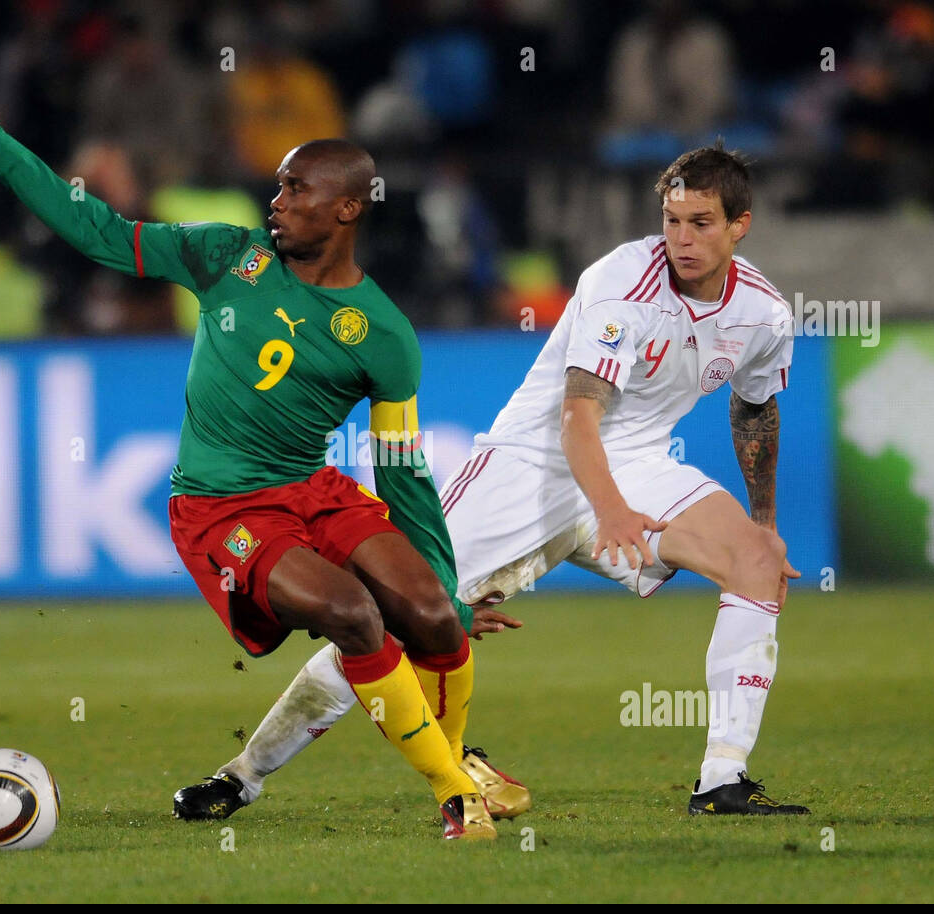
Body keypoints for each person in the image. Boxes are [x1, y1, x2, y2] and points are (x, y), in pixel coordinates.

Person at [0, 66, 520, 841]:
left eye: (294, 190)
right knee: (352, 613)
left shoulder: (384, 334)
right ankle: (453, 794)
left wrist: (448, 583)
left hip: (312, 488)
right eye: (276, 186)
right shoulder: (226, 256)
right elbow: (99, 232)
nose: (276, 203)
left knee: (436, 616)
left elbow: (402, 470)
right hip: (220, 507)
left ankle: (457, 759)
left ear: (345, 209)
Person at [175, 144, 810, 820]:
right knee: (398, 622)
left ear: (740, 225)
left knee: (757, 561)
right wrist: (612, 511)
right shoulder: (623, 283)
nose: (681, 238)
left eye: (701, 223)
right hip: (529, 467)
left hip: (638, 467)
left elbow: (755, 405)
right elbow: (577, 419)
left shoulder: (764, 314)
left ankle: (721, 781)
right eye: (672, 220)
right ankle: (243, 775)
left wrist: (764, 518)